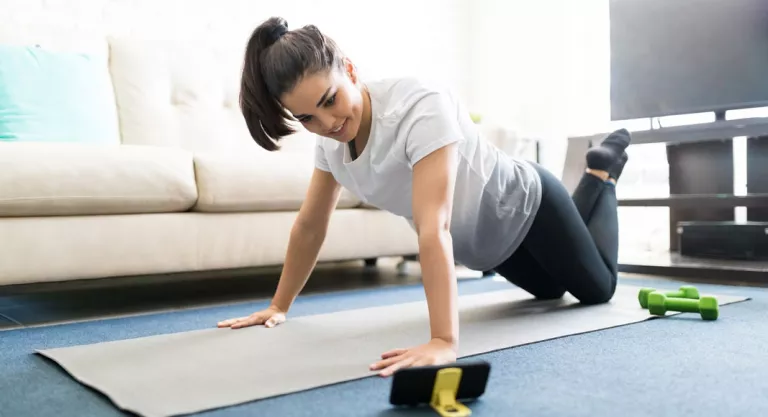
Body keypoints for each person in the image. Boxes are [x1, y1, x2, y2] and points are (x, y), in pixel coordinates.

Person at [217, 16, 632, 377]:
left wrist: (442, 341)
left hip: (527, 205)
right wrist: (278, 306)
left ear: (349, 69)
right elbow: (310, 225)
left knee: (598, 290)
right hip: (489, 249)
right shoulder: (329, 145)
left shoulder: (419, 105)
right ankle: (592, 189)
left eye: (331, 100)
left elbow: (434, 227)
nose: (328, 123)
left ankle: (601, 173)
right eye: (308, 117)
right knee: (549, 292)